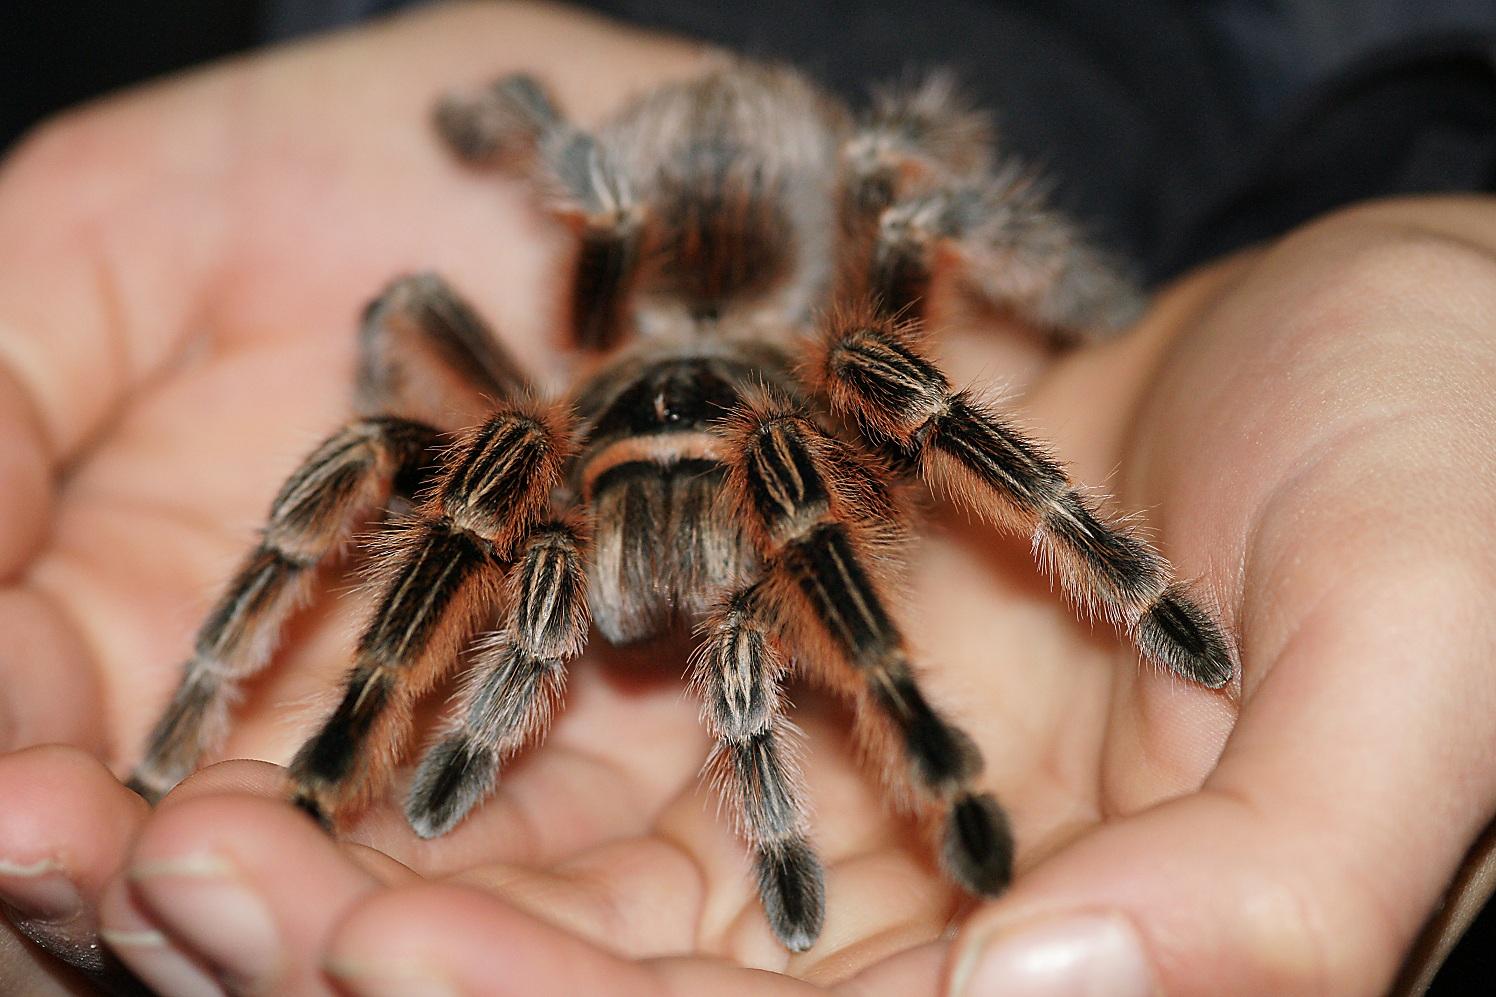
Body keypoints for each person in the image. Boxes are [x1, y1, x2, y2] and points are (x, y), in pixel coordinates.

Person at [0, 3, 1491, 994]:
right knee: (421, 466)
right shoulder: (539, 428)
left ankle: (980, 727)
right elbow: (419, 306)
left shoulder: (822, 392)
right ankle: (308, 763)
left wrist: (1118, 383)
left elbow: (917, 208)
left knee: (899, 205)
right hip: (627, 357)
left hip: (810, 306)